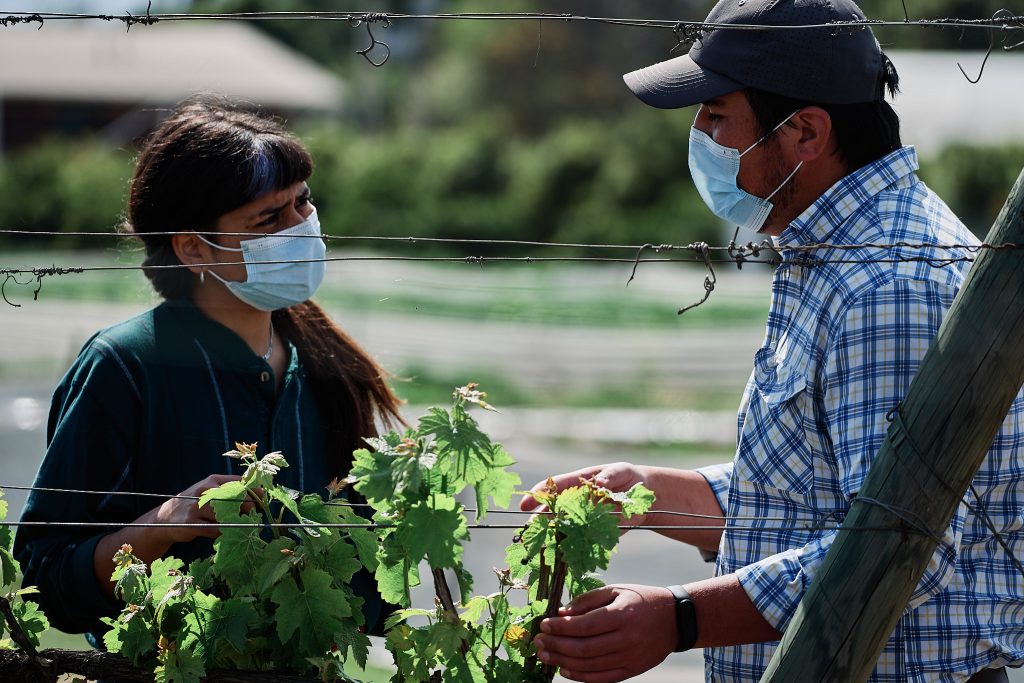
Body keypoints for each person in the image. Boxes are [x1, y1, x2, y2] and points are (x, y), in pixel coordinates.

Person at [521, 1, 1024, 681]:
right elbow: (810, 495)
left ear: (806, 134)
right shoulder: (838, 252)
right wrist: (645, 493)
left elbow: (900, 542)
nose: (700, 132)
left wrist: (678, 617)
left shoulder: (886, 284)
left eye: (718, 113)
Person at [13, 96, 403, 646]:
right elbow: (45, 577)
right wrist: (163, 525)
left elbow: (371, 582)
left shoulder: (326, 363)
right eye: (269, 218)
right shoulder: (125, 364)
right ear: (195, 248)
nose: (300, 228)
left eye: (302, 204)